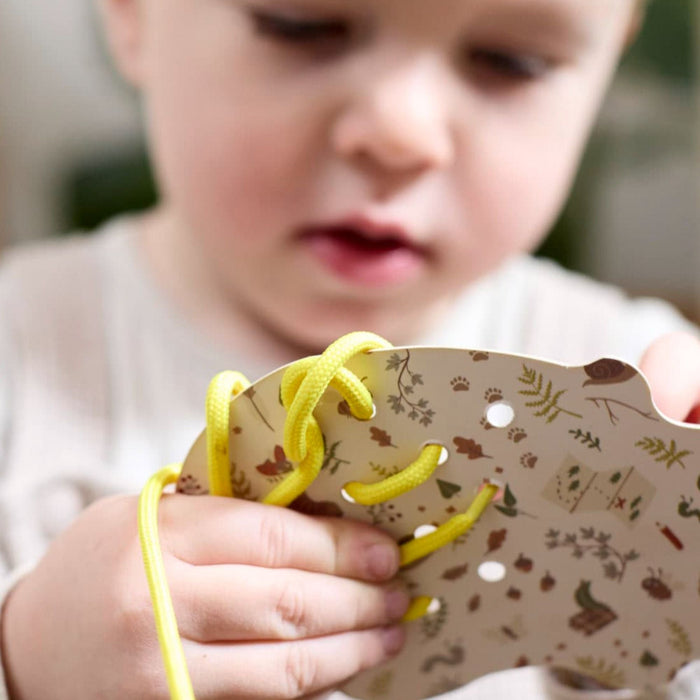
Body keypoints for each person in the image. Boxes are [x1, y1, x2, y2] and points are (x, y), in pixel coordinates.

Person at [0, 0, 699, 698]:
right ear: (131, 15)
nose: (402, 133)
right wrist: (23, 657)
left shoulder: (641, 389)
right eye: (301, 26)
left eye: (511, 63)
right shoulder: (20, 353)